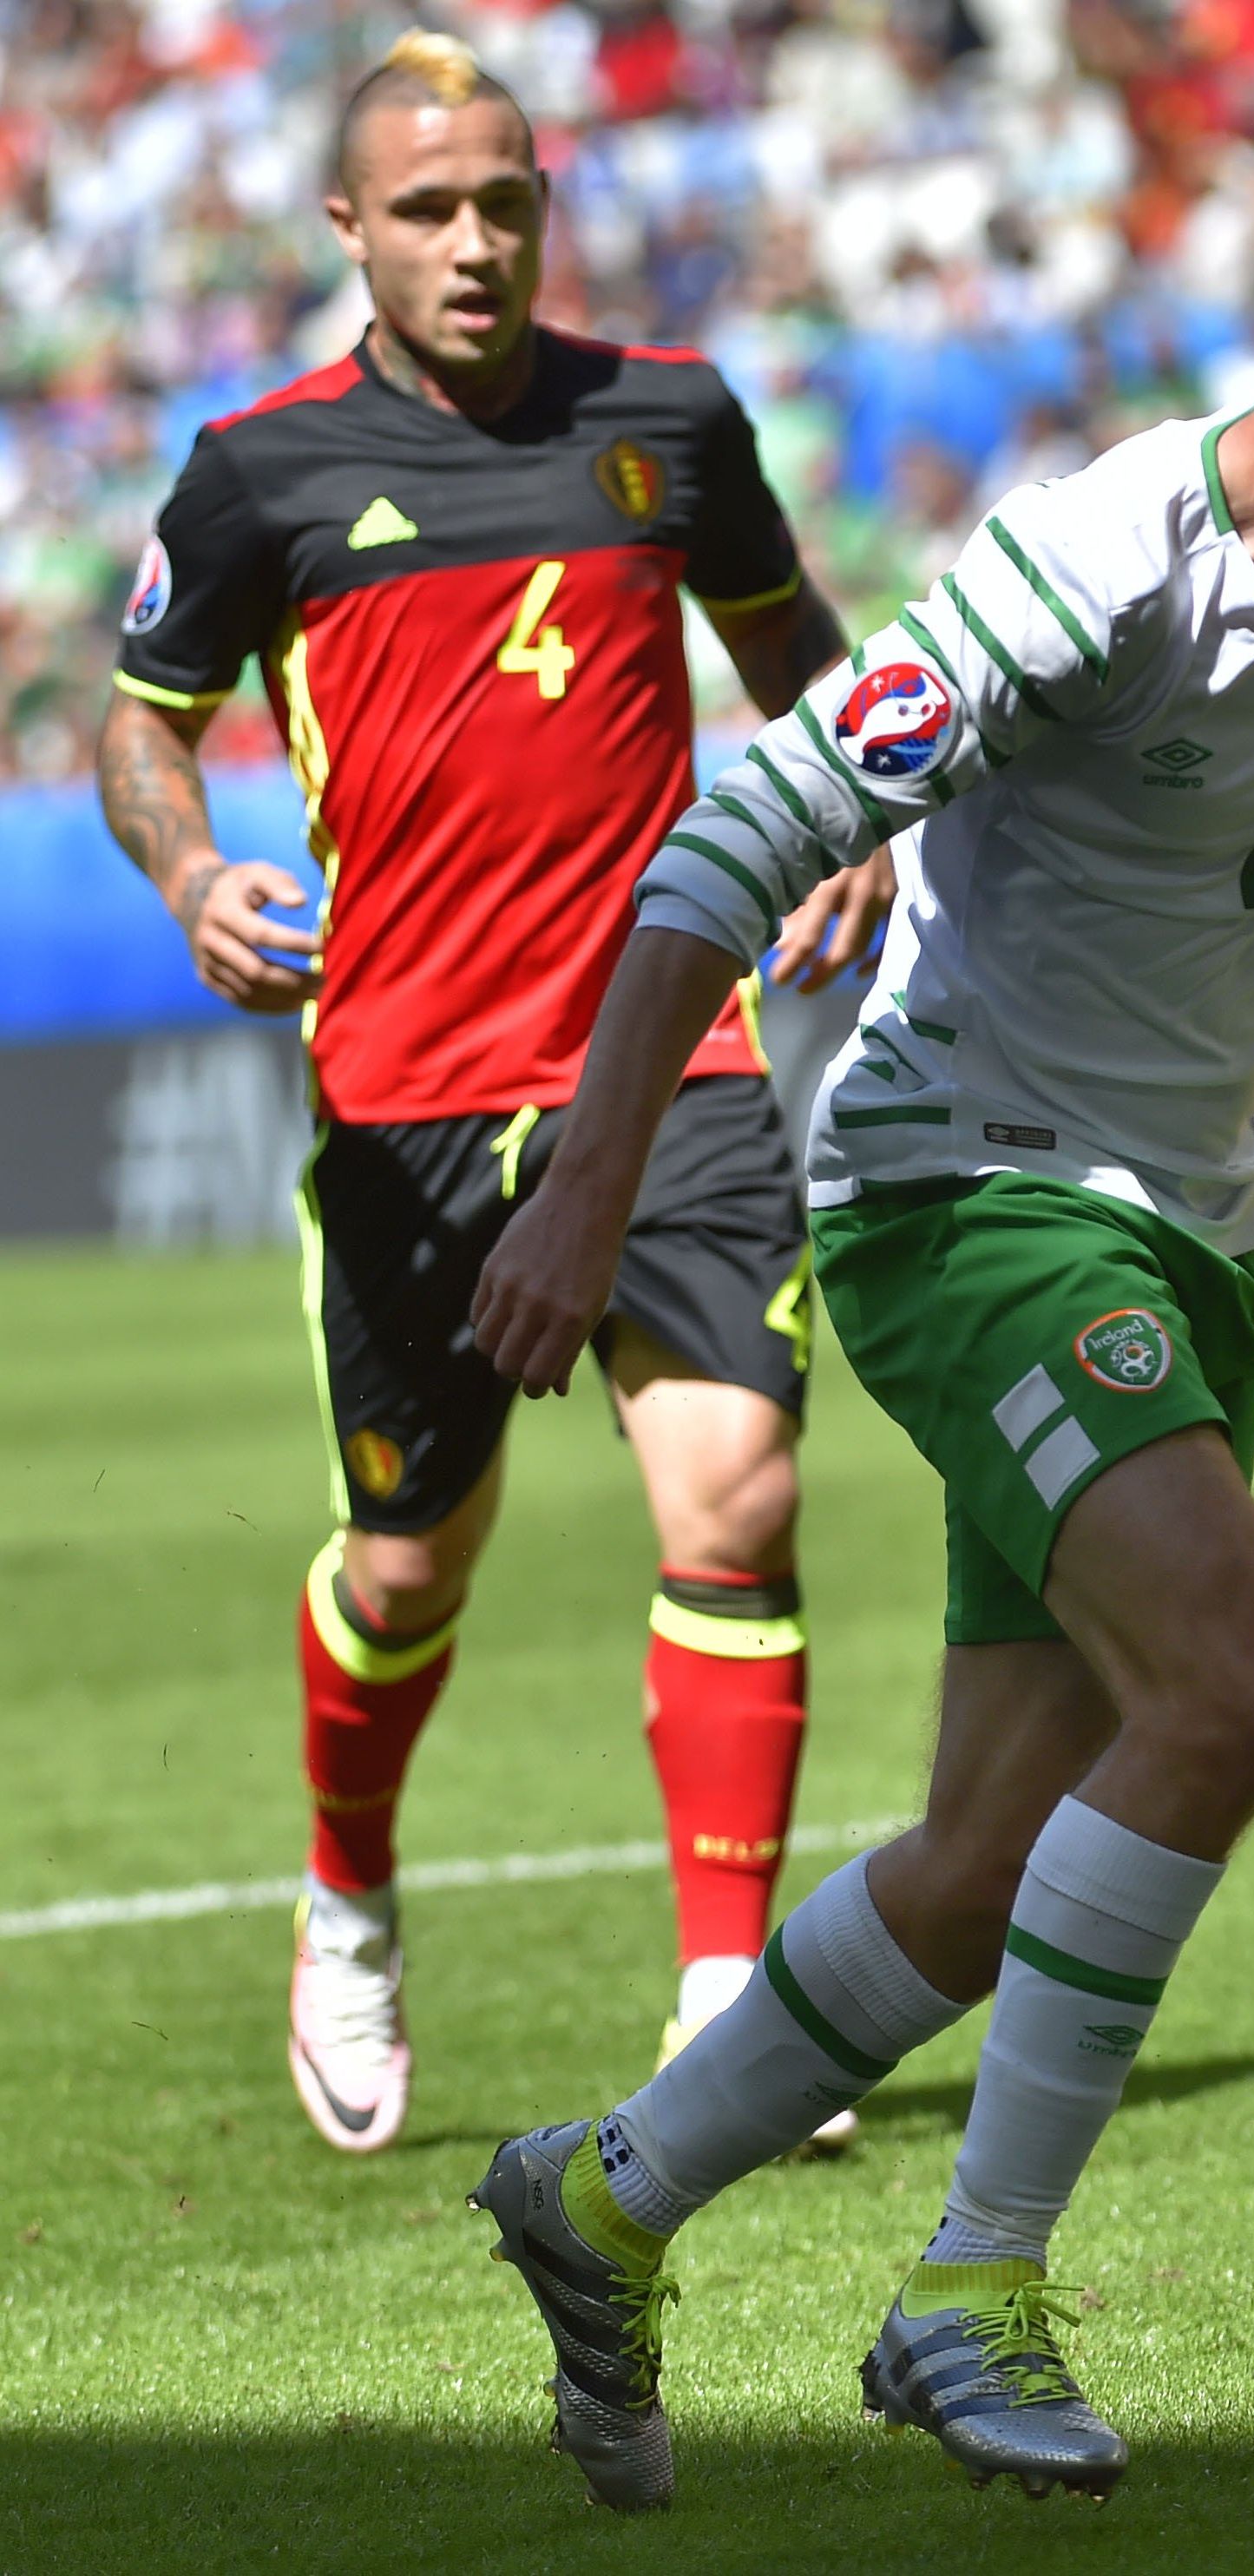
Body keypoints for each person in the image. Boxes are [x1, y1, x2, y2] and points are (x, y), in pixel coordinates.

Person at [463, 156, 1254, 2511]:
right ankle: (972, 2290)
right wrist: (602, 1181)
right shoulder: (1089, 565)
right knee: (1237, 1687)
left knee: (983, 1852)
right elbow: (735, 842)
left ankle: (603, 2195)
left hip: (1196, 1230)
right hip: (974, 1189)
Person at [94, 34, 890, 2157]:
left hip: (666, 1054)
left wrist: (856, 816)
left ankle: (729, 2005)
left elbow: (805, 659)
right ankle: (346, 1889)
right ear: (349, 232)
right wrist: (190, 867)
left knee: (737, 1495)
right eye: (429, 209)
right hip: (410, 1098)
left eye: (506, 201)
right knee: (408, 1566)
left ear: (549, 210)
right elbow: (140, 726)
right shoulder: (259, 473)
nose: (475, 241)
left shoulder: (672, 423)